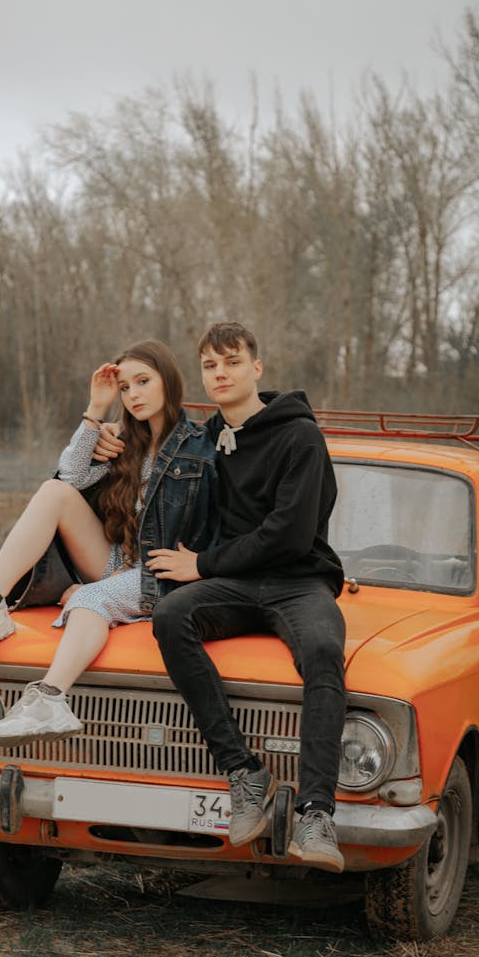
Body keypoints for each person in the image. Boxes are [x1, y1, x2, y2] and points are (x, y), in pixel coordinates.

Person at [145, 321, 347, 872]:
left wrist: (202, 564)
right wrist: (103, 429)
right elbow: (149, 439)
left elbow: (289, 533)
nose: (220, 374)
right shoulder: (207, 439)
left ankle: (316, 813)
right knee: (170, 616)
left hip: (297, 580)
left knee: (326, 652)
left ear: (256, 368)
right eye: (209, 365)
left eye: (231, 362)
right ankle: (243, 771)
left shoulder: (299, 436)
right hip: (235, 584)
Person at [0, 339, 218, 746]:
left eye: (143, 381)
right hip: (117, 562)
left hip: (162, 573)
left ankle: (50, 698)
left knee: (88, 601)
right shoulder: (124, 443)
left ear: (169, 381)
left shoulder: (201, 446)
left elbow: (222, 518)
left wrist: (203, 561)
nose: (134, 395)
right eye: (125, 388)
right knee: (52, 493)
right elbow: (69, 480)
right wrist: (95, 414)